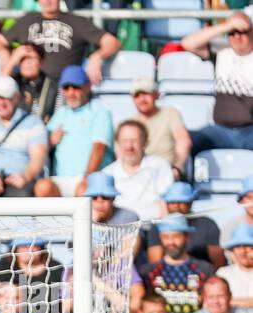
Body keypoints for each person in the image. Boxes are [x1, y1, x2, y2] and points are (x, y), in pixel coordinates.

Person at [0, 0, 119, 88]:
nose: (47, 1)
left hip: (65, 88)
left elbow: (112, 42)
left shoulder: (77, 22)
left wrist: (96, 57)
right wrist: (4, 53)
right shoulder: (27, 21)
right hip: (28, 87)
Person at [182, 11, 253, 154]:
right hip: (220, 131)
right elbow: (187, 43)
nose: (237, 37)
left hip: (250, 132)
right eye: (232, 33)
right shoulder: (221, 52)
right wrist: (227, 26)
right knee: (185, 140)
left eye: (242, 31)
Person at [42, 65, 113, 196]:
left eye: (76, 87)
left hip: (88, 178)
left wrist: (87, 177)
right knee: (42, 187)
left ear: (87, 86)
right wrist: (50, 142)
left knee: (84, 190)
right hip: (61, 178)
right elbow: (40, 144)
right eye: (66, 88)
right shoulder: (61, 112)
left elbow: (99, 148)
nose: (70, 92)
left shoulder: (100, 111)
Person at [145, 214, 215, 313]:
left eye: (176, 236)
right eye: (165, 237)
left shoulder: (204, 269)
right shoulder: (149, 271)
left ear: (187, 237)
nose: (171, 242)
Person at [102, 119, 172, 221]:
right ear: (117, 143)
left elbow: (166, 203)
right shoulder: (107, 173)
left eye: (134, 140)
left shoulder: (160, 166)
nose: (129, 146)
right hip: (119, 230)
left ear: (144, 142)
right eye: (124, 141)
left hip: (152, 227)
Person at [145, 181, 225, 270]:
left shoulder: (207, 224)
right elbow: (155, 264)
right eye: (172, 202)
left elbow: (218, 263)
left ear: (190, 203)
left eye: (181, 202)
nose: (176, 206)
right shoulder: (157, 227)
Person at [129, 77, 189, 179]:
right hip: (139, 175)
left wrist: (177, 169)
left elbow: (183, 141)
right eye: (137, 95)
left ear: (156, 94)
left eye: (146, 93)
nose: (142, 99)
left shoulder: (170, 113)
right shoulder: (130, 124)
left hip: (167, 173)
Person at [219, 225, 253, 309]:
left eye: (247, 245)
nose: (243, 251)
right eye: (238, 246)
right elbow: (214, 302)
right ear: (232, 251)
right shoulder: (223, 273)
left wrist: (229, 302)